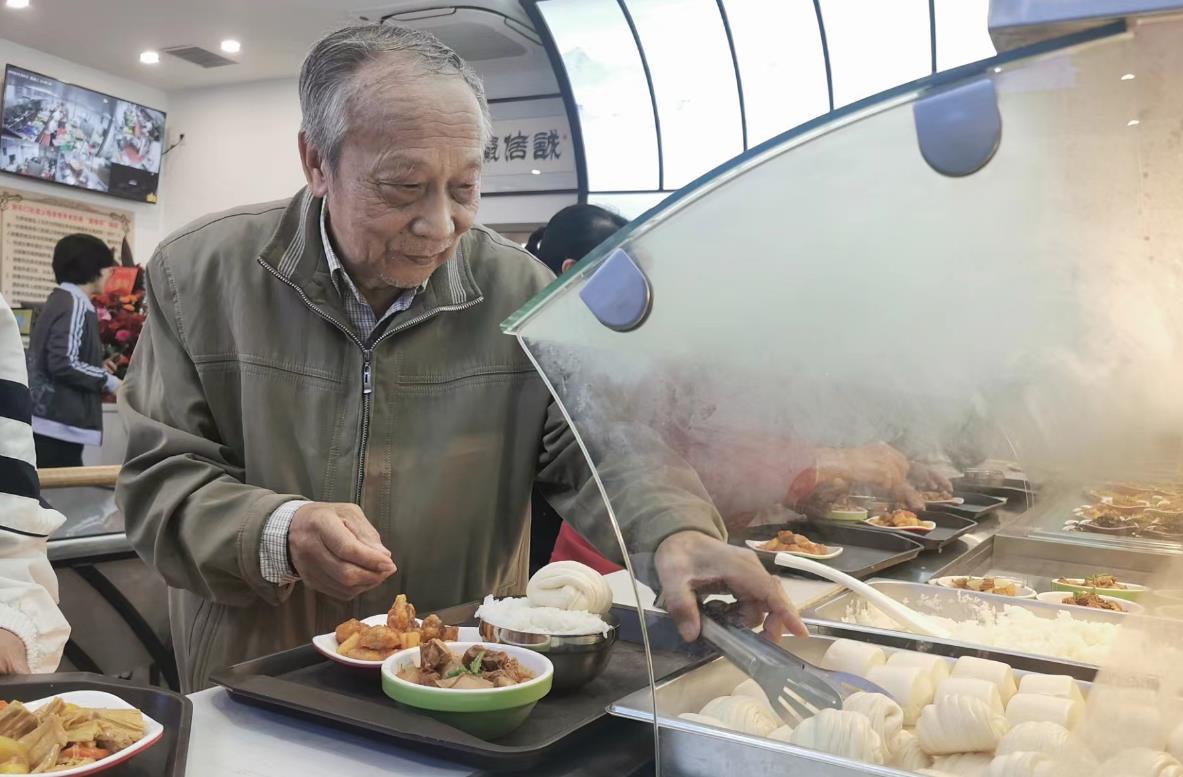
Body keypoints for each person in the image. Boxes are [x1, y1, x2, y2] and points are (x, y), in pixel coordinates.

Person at [116, 26, 811, 692]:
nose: (440, 224)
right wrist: (279, 531)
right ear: (316, 162)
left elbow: (604, 445)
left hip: (461, 680)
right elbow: (159, 484)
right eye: (403, 187)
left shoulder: (520, 295)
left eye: (465, 188)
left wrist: (676, 530)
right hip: (259, 679)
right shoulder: (200, 275)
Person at [524, 204, 628, 575]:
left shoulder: (596, 340)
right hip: (533, 539)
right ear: (573, 272)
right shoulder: (534, 344)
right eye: (620, 273)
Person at [0, 291, 73, 673]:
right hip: (65, 422)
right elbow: (67, 362)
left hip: (56, 424)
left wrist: (12, 619)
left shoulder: (65, 304)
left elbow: (7, 541)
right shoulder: (75, 306)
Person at [27, 234, 120, 469]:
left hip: (47, 417)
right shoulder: (76, 303)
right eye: (109, 268)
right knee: (64, 497)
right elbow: (63, 362)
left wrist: (96, 367)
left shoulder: (59, 300)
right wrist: (110, 381)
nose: (110, 275)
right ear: (94, 269)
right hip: (60, 421)